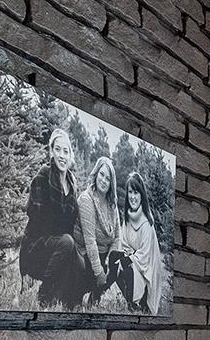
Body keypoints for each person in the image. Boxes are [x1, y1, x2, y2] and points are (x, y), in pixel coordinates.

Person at [18, 128, 86, 308]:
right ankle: (44, 293)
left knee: (80, 263)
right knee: (67, 242)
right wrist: (64, 237)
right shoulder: (42, 177)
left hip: (60, 245)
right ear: (51, 152)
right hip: (36, 248)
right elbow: (38, 220)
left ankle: (63, 299)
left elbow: (72, 223)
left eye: (66, 151)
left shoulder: (72, 183)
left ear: (70, 155)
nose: (62, 156)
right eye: (58, 149)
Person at [109, 171, 164, 314]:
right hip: (134, 266)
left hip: (146, 275)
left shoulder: (146, 223)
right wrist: (125, 256)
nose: (133, 197)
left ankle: (141, 302)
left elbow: (144, 256)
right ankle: (126, 300)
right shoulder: (128, 218)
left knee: (124, 264)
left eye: (136, 192)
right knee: (114, 257)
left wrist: (127, 259)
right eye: (130, 192)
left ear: (142, 195)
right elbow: (124, 244)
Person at [76, 156, 120, 306]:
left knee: (118, 263)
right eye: (102, 174)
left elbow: (117, 237)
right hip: (85, 255)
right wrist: (99, 272)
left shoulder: (112, 204)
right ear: (96, 174)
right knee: (90, 276)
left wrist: (109, 260)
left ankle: (95, 296)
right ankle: (79, 291)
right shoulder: (86, 199)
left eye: (108, 178)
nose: (104, 180)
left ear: (111, 183)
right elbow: (90, 241)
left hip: (104, 255)